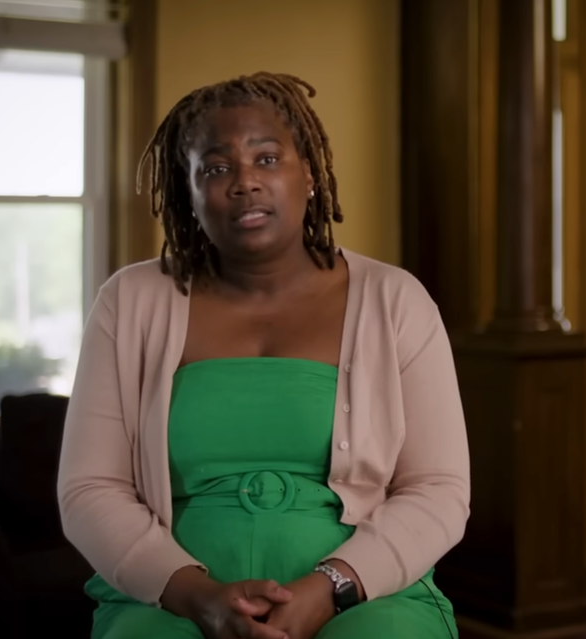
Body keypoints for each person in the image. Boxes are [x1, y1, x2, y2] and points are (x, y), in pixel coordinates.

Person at [57, 71, 470, 639]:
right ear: (189, 191)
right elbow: (89, 489)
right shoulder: (129, 302)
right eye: (217, 167)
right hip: (168, 600)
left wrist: (332, 586)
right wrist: (196, 596)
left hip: (365, 596)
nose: (244, 183)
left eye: (268, 159)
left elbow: (439, 489)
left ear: (309, 176)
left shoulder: (395, 300)